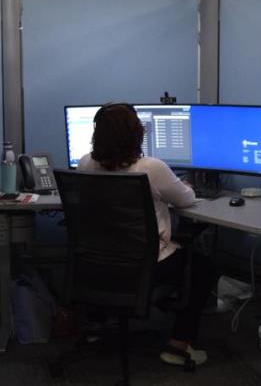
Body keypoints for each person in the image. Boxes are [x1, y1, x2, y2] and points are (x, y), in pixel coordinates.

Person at [78, 102, 219, 367]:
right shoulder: (151, 167)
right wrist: (183, 185)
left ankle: (96, 326)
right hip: (146, 265)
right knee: (204, 268)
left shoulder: (86, 163)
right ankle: (179, 344)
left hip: (100, 264)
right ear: (137, 133)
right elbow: (186, 199)